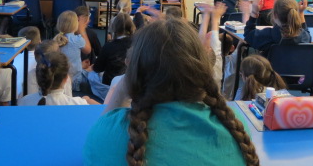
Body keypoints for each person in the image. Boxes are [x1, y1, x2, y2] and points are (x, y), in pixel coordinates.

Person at [83, 18, 259, 166]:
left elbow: (97, 136)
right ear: (202, 69)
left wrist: (121, 89)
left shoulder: (110, 135)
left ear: (134, 72)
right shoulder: (236, 126)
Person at [19, 50, 98, 106]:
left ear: (37, 77)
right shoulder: (78, 104)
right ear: (66, 79)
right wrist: (87, 100)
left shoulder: (23, 102)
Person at [93, 13, 135, 86]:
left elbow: (97, 68)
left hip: (110, 83)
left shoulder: (108, 46)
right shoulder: (137, 44)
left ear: (114, 28)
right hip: (131, 83)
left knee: (91, 75)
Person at [57, 10, 91, 92]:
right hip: (75, 80)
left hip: (60, 79)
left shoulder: (56, 39)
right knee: (93, 71)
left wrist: (80, 65)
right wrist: (82, 30)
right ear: (75, 25)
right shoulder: (77, 39)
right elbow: (88, 50)